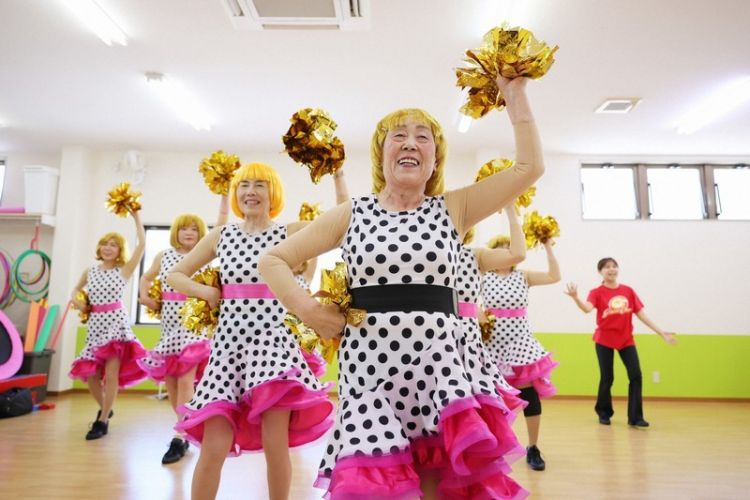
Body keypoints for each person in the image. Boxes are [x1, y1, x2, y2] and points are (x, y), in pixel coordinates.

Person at [260, 76, 544, 498]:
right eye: (399, 136)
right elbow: (273, 260)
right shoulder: (351, 213)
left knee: (433, 480)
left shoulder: (453, 207)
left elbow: (529, 168)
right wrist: (311, 311)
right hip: (369, 369)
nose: (410, 143)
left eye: (423, 138)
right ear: (382, 154)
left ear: (435, 159)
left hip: (440, 368)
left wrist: (515, 95)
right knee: (377, 480)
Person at [167, 162, 333, 500]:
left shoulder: (289, 232)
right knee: (213, 444)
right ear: (235, 194)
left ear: (273, 193)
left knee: (276, 444)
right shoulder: (220, 235)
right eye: (244, 186)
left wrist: (338, 173)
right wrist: (208, 292)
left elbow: (336, 228)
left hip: (274, 348)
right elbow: (176, 275)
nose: (251, 192)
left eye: (260, 185)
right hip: (228, 349)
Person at [137, 196, 227, 464]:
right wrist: (145, 297)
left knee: (187, 379)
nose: (190, 233)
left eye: (196, 229)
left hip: (193, 323)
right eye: (185, 228)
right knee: (172, 382)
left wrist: (224, 195)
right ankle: (183, 427)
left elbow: (222, 222)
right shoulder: (164, 256)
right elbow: (146, 277)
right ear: (176, 232)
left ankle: (181, 435)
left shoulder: (204, 255)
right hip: (169, 326)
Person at [565, 257, 677, 427]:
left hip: (626, 339)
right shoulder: (597, 292)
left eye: (614, 266)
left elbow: (642, 315)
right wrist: (575, 298)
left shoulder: (628, 291)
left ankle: (635, 417)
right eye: (607, 267)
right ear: (600, 272)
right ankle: (604, 412)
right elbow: (587, 309)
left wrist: (661, 333)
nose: (611, 270)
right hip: (604, 339)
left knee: (636, 375)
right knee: (607, 377)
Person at [482, 237, 561, 471]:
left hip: (521, 344)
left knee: (529, 394)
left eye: (508, 250)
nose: (505, 254)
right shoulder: (483, 277)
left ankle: (533, 447)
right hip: (491, 345)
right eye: (499, 251)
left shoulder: (523, 276)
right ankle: (491, 447)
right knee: (491, 398)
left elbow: (554, 276)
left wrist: (547, 245)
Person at [69, 208, 147, 440]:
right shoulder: (90, 271)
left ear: (119, 250)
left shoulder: (123, 271)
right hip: (95, 325)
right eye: (105, 243)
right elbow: (76, 288)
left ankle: (102, 420)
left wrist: (136, 217)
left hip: (115, 325)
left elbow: (142, 245)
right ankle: (106, 407)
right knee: (92, 374)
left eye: (113, 244)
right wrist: (77, 300)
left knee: (111, 374)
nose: (108, 247)